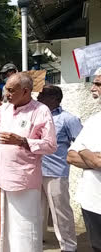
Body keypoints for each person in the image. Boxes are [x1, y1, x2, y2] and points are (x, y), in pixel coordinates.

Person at [0, 73, 57, 252]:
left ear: (25, 91)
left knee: (25, 227)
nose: (6, 94)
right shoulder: (3, 109)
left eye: (11, 90)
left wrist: (22, 141)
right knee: (4, 225)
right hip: (2, 176)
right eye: (6, 90)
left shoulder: (40, 111)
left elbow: (50, 145)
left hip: (24, 180)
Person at [36, 85, 80, 252]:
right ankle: (38, 240)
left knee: (60, 212)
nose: (38, 97)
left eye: (42, 95)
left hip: (56, 172)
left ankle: (68, 246)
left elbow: (81, 142)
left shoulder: (68, 119)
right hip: (36, 171)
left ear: (54, 98)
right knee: (37, 210)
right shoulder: (38, 116)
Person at [67, 73, 101, 252]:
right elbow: (71, 156)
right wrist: (94, 159)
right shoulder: (94, 120)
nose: (92, 88)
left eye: (98, 84)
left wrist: (85, 153)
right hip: (91, 201)